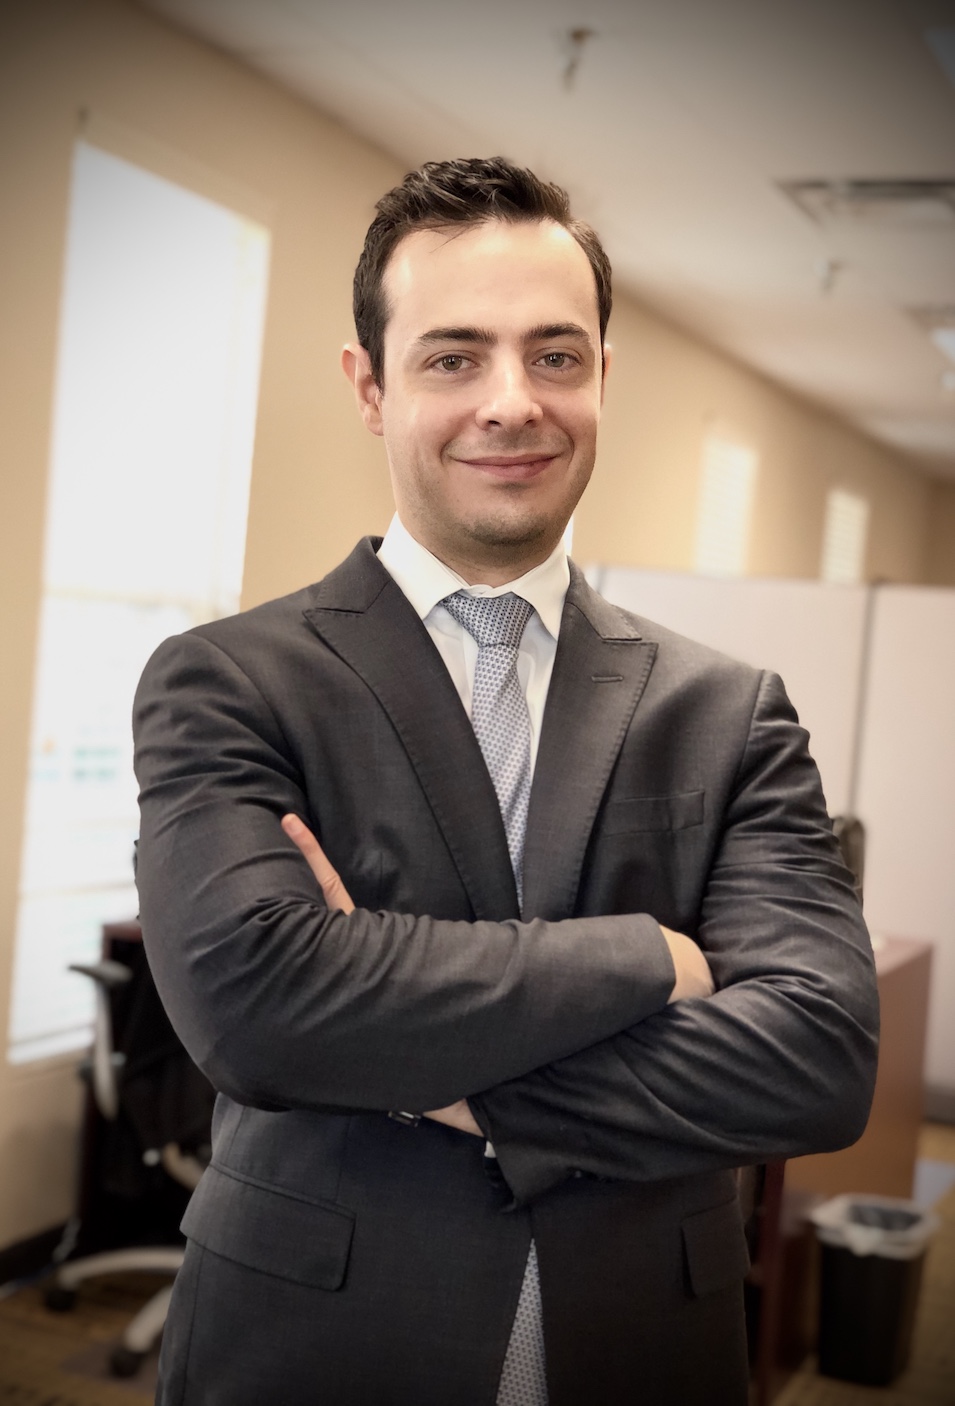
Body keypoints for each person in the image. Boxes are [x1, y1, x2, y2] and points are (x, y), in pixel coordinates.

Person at [133, 157, 879, 1406]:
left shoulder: (727, 709)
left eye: (555, 355)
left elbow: (816, 1056)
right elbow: (258, 1008)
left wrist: (402, 1034)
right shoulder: (229, 679)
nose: (510, 402)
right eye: (452, 357)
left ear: (600, 376)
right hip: (313, 1347)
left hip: (643, 1345)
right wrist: (652, 957)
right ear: (368, 386)